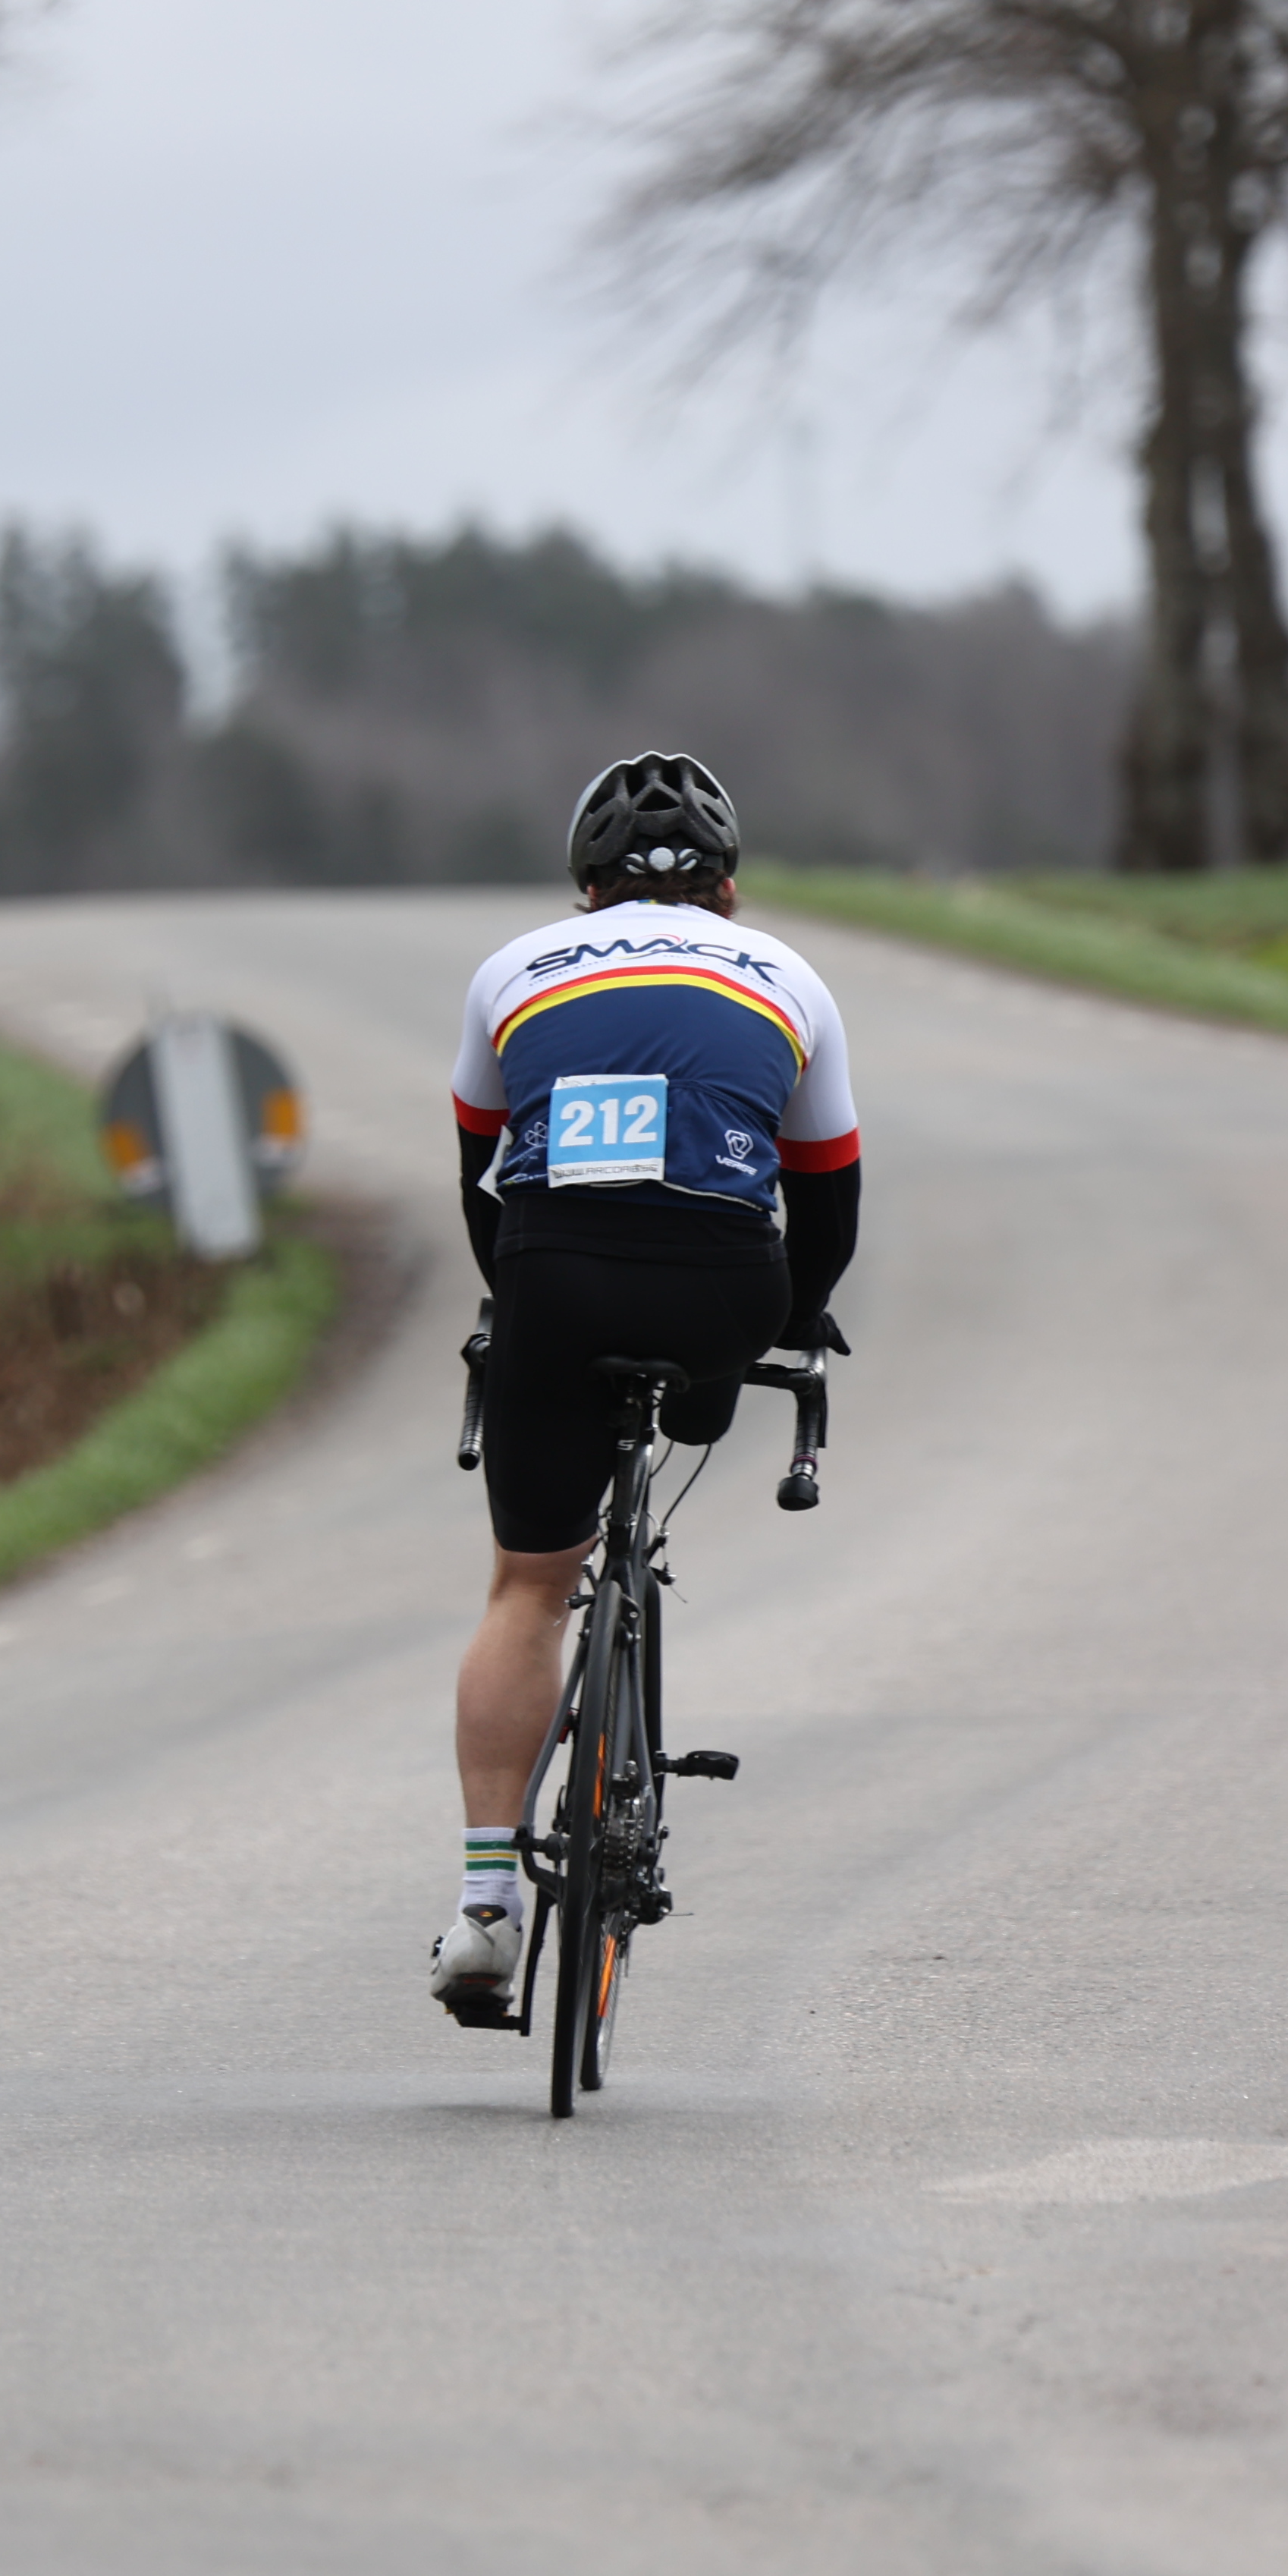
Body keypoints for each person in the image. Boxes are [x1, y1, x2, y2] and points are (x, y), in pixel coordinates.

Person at [429, 752, 860, 2023]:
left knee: (527, 1586)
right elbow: (827, 1197)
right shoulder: (789, 975)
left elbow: (482, 1181)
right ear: (727, 888)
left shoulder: (512, 970)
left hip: (552, 1274)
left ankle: (488, 1907)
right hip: (722, 1289)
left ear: (585, 886)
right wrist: (796, 1320)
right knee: (704, 1399)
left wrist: (522, 1305)